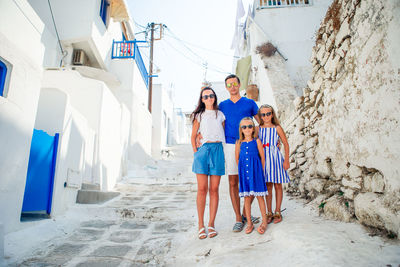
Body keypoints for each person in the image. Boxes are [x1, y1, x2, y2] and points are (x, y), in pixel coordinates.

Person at [219, 74, 260, 232]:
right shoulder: (222, 105)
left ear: (240, 84)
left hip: (248, 144)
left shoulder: (249, 103)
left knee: (253, 179)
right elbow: (218, 124)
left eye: (235, 83)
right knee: (233, 182)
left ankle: (245, 214)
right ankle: (238, 218)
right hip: (230, 145)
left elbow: (260, 123)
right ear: (226, 87)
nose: (232, 87)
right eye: (229, 85)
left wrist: (259, 138)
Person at [191, 87, 225, 239]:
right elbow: (193, 136)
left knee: (214, 189)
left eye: (211, 95)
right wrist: (196, 153)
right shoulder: (199, 115)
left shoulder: (221, 114)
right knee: (202, 189)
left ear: (214, 97)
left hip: (217, 149)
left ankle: (211, 224)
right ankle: (200, 225)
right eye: (205, 96)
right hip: (203, 151)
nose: (209, 98)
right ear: (202, 100)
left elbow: (224, 132)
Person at [257, 104, 290, 224]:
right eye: (263, 114)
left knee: (277, 185)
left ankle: (277, 211)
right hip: (264, 159)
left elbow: (285, 143)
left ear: (272, 114)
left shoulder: (277, 128)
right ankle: (269, 211)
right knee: (268, 186)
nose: (266, 116)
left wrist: (286, 160)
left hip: (275, 158)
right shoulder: (258, 128)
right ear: (260, 116)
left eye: (268, 114)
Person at [235, 117, 268, 234]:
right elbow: (237, 158)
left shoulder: (257, 141)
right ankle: (249, 222)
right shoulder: (239, 143)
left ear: (253, 128)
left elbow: (262, 157)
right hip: (245, 173)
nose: (247, 129)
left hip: (256, 172)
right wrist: (242, 172)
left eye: (250, 126)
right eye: (244, 127)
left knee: (260, 197)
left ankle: (264, 222)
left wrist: (261, 172)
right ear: (241, 129)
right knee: (247, 198)